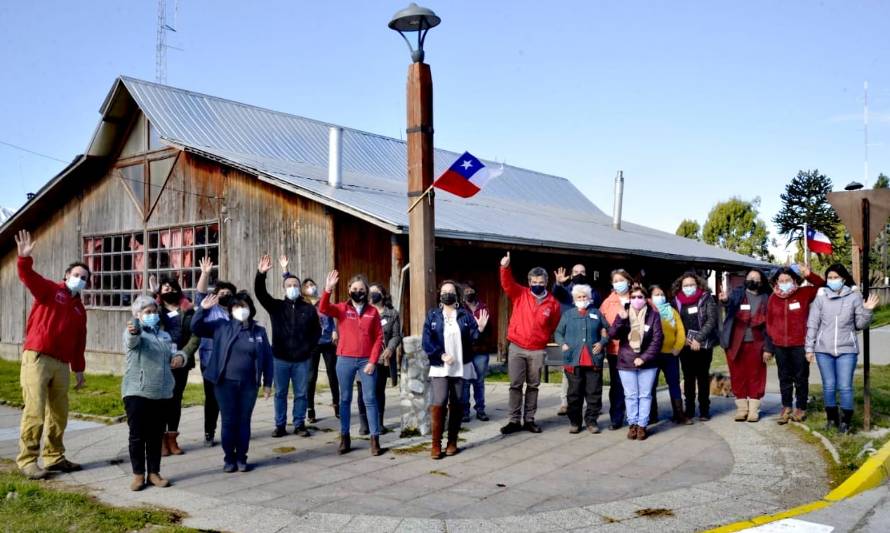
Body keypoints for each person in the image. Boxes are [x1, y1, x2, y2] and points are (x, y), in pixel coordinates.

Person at [13, 230, 88, 480]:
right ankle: (27, 460)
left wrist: (78, 369)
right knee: (35, 409)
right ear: (67, 276)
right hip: (38, 357)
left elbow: (79, 342)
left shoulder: (79, 309)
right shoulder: (50, 290)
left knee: (59, 413)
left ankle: (54, 456)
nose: (79, 279)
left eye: (84, 278)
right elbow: (28, 277)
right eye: (76, 275)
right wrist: (24, 258)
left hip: (62, 364)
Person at [191, 291, 273, 472]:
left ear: (250, 309)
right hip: (224, 384)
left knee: (244, 421)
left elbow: (267, 358)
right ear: (230, 310)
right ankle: (229, 458)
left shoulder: (259, 331)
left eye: (243, 306)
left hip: (249, 385)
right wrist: (202, 310)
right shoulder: (221, 327)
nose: (240, 310)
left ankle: (242, 458)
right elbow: (196, 327)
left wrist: (267, 383)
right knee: (228, 421)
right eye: (236, 306)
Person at [318, 270, 385, 456]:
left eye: (361, 289)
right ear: (349, 290)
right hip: (345, 359)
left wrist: (372, 361)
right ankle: (345, 437)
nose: (358, 291)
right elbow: (323, 309)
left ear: (367, 291)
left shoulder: (372, 312)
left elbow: (379, 337)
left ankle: (374, 439)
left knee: (370, 399)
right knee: (345, 399)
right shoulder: (341, 308)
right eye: (354, 288)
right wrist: (328, 289)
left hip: (366, 361)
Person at [806, 264, 878, 434]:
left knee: (845, 386)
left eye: (835, 277)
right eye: (829, 278)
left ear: (843, 279)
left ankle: (845, 422)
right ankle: (832, 419)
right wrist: (809, 348)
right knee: (829, 386)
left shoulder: (853, 297)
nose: (832, 281)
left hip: (847, 350)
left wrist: (867, 311)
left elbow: (860, 324)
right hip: (824, 350)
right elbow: (812, 324)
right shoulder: (821, 298)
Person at [123, 295, 186, 490]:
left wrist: (180, 357)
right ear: (138, 315)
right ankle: (137, 475)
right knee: (137, 436)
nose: (151, 315)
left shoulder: (164, 335)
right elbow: (131, 341)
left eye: (154, 311)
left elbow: (175, 351)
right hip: (138, 392)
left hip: (162, 393)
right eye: (147, 312)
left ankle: (154, 473)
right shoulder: (135, 332)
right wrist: (133, 329)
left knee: (155, 436)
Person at [255, 254, 321, 438]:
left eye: (295, 285)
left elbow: (316, 332)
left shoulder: (308, 309)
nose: (292, 288)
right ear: (283, 288)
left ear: (300, 289)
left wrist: (308, 350)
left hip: (301, 360)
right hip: (280, 359)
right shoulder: (276, 306)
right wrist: (261, 274)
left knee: (301, 393)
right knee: (280, 393)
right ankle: (280, 425)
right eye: (289, 285)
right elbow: (260, 293)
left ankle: (299, 423)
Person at [422, 281, 489, 459]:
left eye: (450, 292)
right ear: (439, 294)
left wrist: (480, 328)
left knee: (458, 402)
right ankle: (436, 444)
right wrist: (441, 355)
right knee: (440, 400)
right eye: (444, 291)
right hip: (441, 366)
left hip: (461, 366)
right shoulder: (433, 315)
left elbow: (473, 337)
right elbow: (427, 341)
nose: (447, 294)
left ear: (456, 295)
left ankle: (452, 441)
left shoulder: (464, 315)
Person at [499, 252, 562, 435]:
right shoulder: (520, 294)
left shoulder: (553, 303)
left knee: (533, 386)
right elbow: (507, 283)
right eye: (534, 282)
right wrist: (505, 267)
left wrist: (541, 338)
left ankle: (529, 419)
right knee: (515, 384)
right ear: (529, 282)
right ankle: (513, 420)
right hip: (517, 347)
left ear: (546, 282)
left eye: (540, 282)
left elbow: (553, 324)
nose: (537, 285)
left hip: (537, 350)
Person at [766, 265, 825, 424]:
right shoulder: (773, 298)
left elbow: (822, 285)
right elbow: (769, 322)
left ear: (794, 280)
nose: (784, 282)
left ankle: (801, 407)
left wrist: (809, 274)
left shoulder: (804, 293)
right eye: (781, 280)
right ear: (776, 281)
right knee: (784, 377)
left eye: (788, 280)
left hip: (800, 344)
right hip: (780, 345)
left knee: (800, 377)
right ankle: (786, 407)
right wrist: (771, 344)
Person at [609, 285, 664, 440]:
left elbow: (657, 340)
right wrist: (621, 319)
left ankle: (642, 425)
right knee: (631, 395)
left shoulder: (654, 315)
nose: (636, 300)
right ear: (629, 299)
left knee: (645, 395)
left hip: (648, 362)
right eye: (633, 297)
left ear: (645, 299)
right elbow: (613, 335)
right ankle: (632, 424)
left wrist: (644, 357)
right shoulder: (624, 314)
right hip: (626, 361)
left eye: (640, 297)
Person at [554, 284, 609, 434]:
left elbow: (607, 330)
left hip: (593, 360)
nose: (582, 299)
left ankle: (591, 421)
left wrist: (602, 342)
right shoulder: (568, 315)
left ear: (589, 298)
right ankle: (575, 422)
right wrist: (562, 344)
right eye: (579, 297)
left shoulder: (596, 313)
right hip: (573, 359)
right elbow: (558, 333)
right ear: (574, 299)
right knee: (574, 393)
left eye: (584, 296)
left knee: (593, 393)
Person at [719, 269, 772, 423]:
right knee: (737, 375)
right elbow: (730, 303)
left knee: (756, 376)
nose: (752, 280)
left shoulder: (766, 298)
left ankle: (754, 410)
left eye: (756, 278)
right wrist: (725, 300)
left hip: (757, 343)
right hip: (735, 343)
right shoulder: (738, 294)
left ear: (761, 281)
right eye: (750, 277)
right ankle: (742, 409)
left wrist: (768, 348)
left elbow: (770, 325)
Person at [156, 277, 200, 456]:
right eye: (164, 288)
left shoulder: (188, 310)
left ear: (178, 290)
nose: (168, 290)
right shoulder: (154, 310)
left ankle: (172, 438)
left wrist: (183, 355)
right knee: (160, 401)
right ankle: (159, 439)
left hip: (181, 362)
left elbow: (196, 336)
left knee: (175, 401)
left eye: (171, 287)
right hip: (160, 362)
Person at [194, 256, 235, 447]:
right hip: (210, 359)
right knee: (211, 397)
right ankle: (209, 431)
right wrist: (204, 273)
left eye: (228, 293)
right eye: (222, 292)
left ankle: (231, 429)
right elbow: (201, 294)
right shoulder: (210, 308)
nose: (225, 295)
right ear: (216, 295)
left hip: (232, 362)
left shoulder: (236, 312)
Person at [552, 264, 601, 417]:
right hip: (570, 337)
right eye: (576, 272)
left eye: (582, 272)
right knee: (569, 372)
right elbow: (555, 292)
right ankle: (565, 403)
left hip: (589, 337)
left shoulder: (593, 292)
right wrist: (559, 283)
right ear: (571, 274)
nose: (579, 274)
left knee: (588, 375)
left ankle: (591, 406)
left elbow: (598, 311)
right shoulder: (566, 290)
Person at [672, 272, 719, 421]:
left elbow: (711, 321)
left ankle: (704, 410)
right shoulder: (676, 301)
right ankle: (690, 410)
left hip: (703, 345)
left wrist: (698, 339)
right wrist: (682, 339)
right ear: (680, 287)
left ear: (698, 284)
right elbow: (673, 322)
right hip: (685, 346)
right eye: (685, 285)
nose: (688, 287)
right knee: (688, 378)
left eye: (691, 284)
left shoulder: (706, 298)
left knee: (703, 377)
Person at [356, 283, 402, 435]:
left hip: (382, 359)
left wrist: (390, 349)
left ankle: (379, 422)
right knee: (363, 391)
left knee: (378, 391)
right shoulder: (362, 311)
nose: (373, 295)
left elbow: (396, 335)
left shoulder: (392, 313)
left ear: (383, 295)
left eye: (377, 292)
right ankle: (364, 423)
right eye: (371, 292)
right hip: (363, 357)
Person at [599, 269, 635, 430]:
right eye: (615, 281)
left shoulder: (638, 297)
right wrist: (604, 340)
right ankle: (616, 418)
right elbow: (601, 325)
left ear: (629, 281)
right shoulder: (608, 302)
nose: (619, 283)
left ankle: (637, 418)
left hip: (635, 349)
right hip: (615, 350)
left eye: (621, 280)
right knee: (617, 386)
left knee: (635, 385)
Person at [649, 285, 689, 425]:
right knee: (650, 385)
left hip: (670, 355)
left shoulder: (672, 311)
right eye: (656, 294)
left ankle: (679, 414)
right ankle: (652, 415)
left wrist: (677, 348)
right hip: (652, 355)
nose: (660, 297)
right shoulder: (648, 311)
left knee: (674, 384)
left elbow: (681, 330)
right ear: (650, 297)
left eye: (661, 294)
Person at [304, 277, 340, 422]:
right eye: (307, 286)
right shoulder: (303, 305)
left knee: (333, 374)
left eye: (312, 284)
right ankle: (310, 409)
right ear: (303, 290)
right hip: (312, 344)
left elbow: (331, 316)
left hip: (327, 342)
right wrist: (285, 271)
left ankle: (337, 405)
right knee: (311, 377)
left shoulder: (322, 301)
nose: (310, 287)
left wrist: (334, 330)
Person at [461, 282, 492, 422]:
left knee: (479, 382)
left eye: (471, 290)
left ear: (475, 291)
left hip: (481, 351)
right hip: (466, 352)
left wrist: (483, 328)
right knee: (466, 382)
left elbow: (490, 330)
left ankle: (480, 409)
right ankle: (465, 411)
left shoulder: (484, 308)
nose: (468, 292)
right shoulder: (461, 310)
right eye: (466, 290)